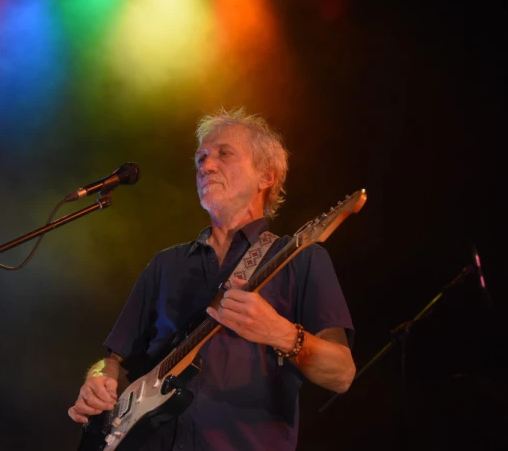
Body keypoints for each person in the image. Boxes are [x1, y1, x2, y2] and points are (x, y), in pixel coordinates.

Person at [68, 107, 356, 450]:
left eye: (224, 154)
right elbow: (114, 360)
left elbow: (342, 374)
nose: (206, 166)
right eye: (201, 158)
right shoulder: (165, 264)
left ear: (266, 176)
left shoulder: (301, 258)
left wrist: (279, 333)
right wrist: (99, 378)